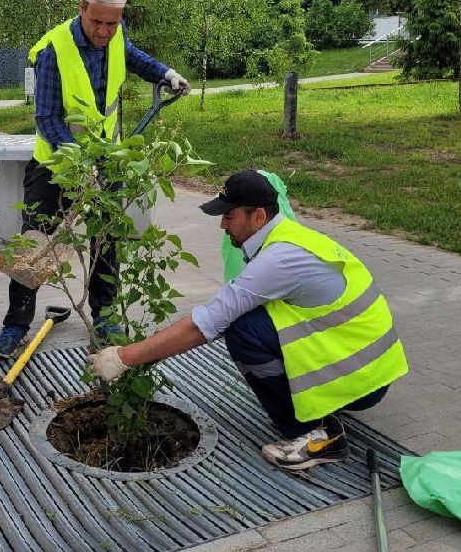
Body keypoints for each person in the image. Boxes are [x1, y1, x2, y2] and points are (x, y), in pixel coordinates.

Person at [91, 170, 408, 473]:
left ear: (258, 216)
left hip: (363, 383)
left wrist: (124, 358)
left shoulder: (279, 258)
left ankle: (317, 433)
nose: (222, 225)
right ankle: (318, 404)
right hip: (370, 372)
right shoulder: (290, 237)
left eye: (229, 216)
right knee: (249, 320)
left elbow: (206, 324)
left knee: (242, 330)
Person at [0, 0, 189, 357]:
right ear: (82, 8)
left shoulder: (116, 35)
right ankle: (15, 324)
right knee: (35, 243)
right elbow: (48, 119)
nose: (103, 32)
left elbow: (132, 56)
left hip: (106, 159)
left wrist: (165, 73)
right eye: (97, 22)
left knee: (106, 239)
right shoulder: (55, 51)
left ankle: (106, 318)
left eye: (112, 24)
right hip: (56, 165)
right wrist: (79, 165)